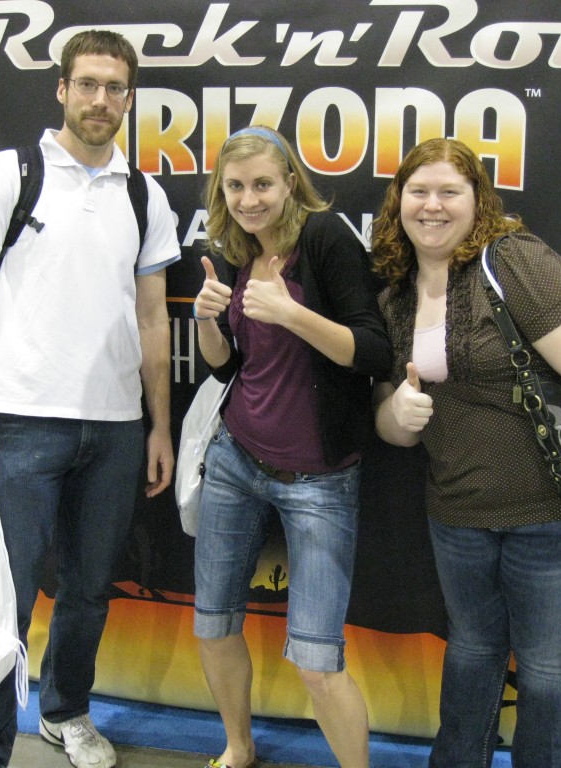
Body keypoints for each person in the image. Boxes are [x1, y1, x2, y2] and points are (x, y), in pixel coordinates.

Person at [371, 138, 561, 768]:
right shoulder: (395, 292)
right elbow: (391, 419)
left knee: (547, 670)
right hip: (455, 516)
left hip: (552, 518)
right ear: (398, 198)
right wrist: (395, 417)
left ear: (476, 199)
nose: (432, 206)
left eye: (449, 191)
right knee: (472, 653)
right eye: (418, 190)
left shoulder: (511, 260)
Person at [0, 30, 179, 768]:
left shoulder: (144, 193)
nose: (101, 100)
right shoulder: (7, 175)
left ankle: (66, 712)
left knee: (88, 591)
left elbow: (151, 319)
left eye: (115, 88)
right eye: (88, 84)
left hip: (114, 431)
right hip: (16, 424)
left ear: (129, 98)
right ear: (61, 88)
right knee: (1, 598)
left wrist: (159, 427)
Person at [191, 125, 391, 768]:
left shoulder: (325, 239)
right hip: (235, 461)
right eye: (237, 186)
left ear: (289, 184)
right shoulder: (229, 250)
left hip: (320, 481)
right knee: (213, 621)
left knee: (315, 658)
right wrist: (206, 321)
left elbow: (375, 350)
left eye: (263, 185)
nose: (250, 199)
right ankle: (239, 747)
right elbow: (227, 368)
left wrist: (293, 314)